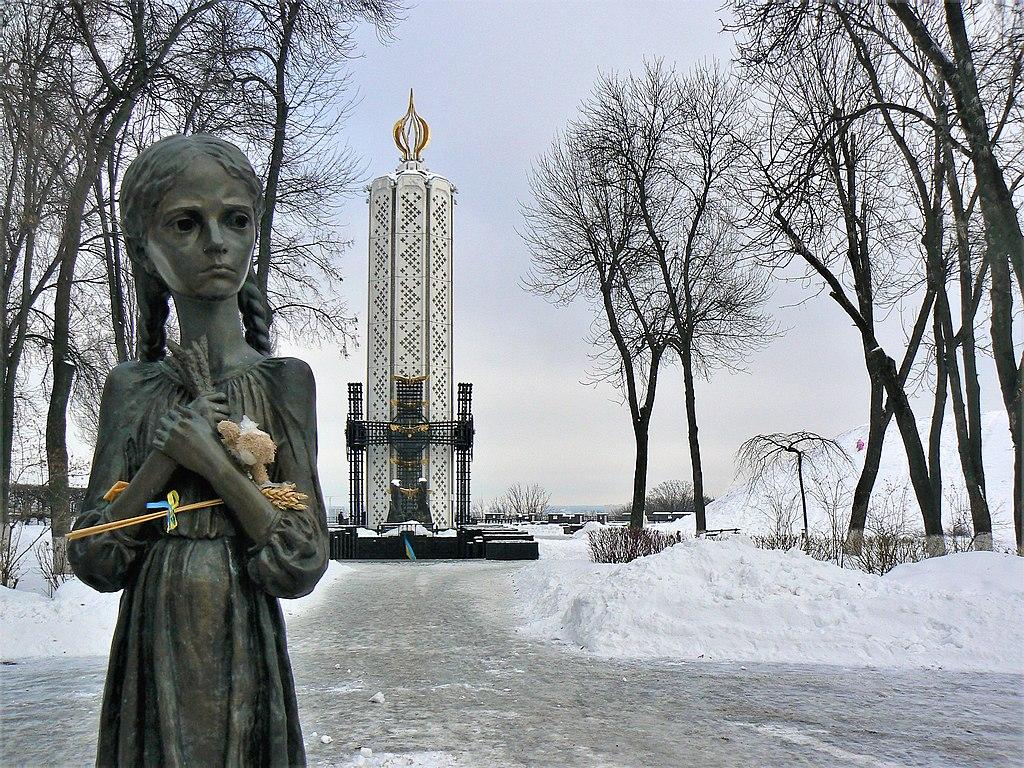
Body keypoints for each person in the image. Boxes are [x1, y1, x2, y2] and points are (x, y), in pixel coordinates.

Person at [68, 134, 328, 767]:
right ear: (148, 249)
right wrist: (163, 461)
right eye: (187, 223)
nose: (217, 242)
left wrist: (214, 464)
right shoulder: (132, 388)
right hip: (155, 635)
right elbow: (95, 557)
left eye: (236, 221)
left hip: (244, 631)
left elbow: (302, 558)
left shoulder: (283, 381)